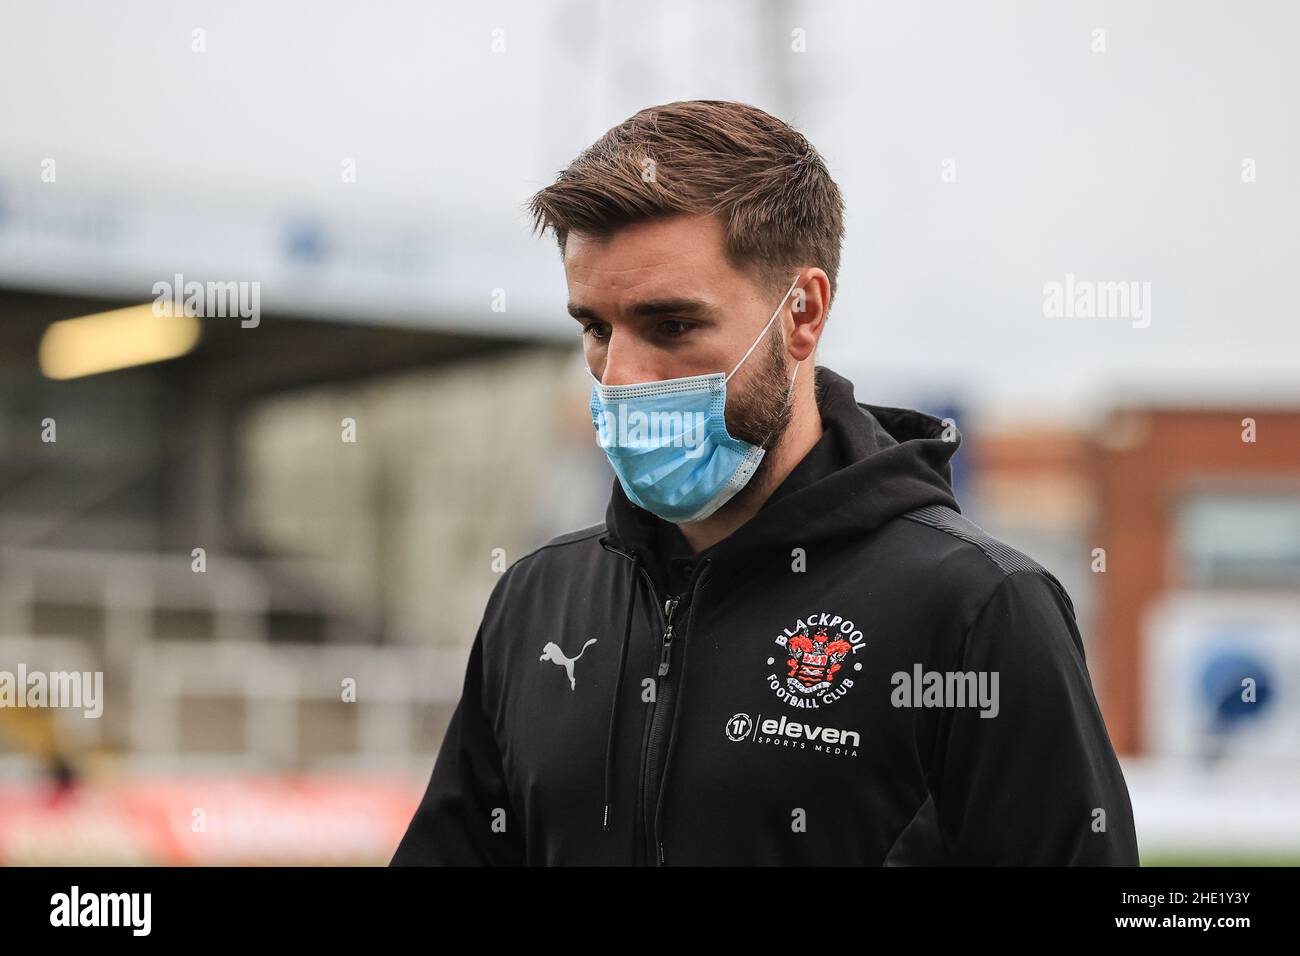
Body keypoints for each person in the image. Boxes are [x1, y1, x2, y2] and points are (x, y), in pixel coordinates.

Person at [391, 99, 1139, 866]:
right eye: (596, 329)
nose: (619, 377)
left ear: (802, 314)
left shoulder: (977, 609)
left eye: (672, 326)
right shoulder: (537, 600)